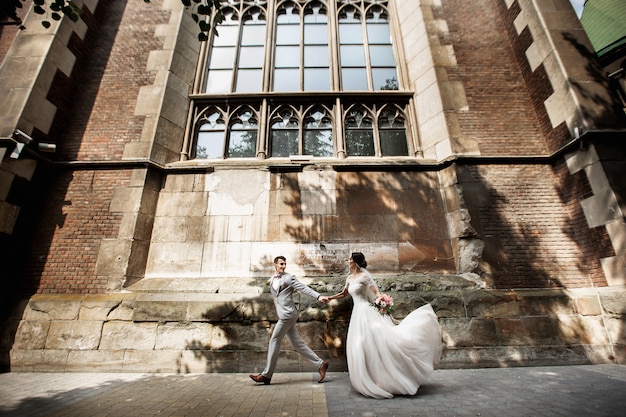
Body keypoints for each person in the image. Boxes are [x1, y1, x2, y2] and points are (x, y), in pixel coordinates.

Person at [326, 252, 442, 398]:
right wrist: (330, 297)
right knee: (360, 345)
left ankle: (387, 377)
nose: (348, 261)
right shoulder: (349, 278)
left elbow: (377, 295)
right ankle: (370, 377)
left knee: (377, 343)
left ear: (355, 261)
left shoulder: (365, 276)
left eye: (350, 259)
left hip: (366, 312)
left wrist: (383, 303)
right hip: (357, 314)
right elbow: (343, 294)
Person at [250, 256, 330, 385]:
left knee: (274, 340)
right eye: (281, 264)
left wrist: (318, 296)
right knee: (297, 344)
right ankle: (321, 364)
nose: (283, 266)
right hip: (285, 314)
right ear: (275, 264)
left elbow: (303, 288)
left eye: (284, 264)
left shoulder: (289, 278)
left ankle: (266, 375)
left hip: (288, 315)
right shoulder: (271, 280)